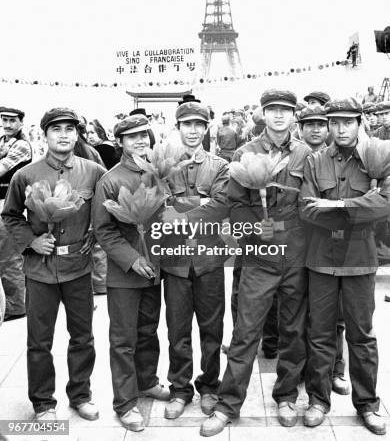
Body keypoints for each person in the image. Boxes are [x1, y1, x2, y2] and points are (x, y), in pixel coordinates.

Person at [200, 89, 311, 436]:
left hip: (295, 252)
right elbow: (233, 203)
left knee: (293, 330)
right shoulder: (245, 153)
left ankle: (286, 395)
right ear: (263, 113)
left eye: (285, 110)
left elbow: (310, 202)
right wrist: (253, 223)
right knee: (246, 332)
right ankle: (228, 405)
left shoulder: (306, 154)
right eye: (272, 110)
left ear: (294, 115)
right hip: (258, 256)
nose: (279, 116)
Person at [1, 108, 105, 421]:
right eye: (56, 129)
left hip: (78, 268)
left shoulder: (93, 171)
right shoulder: (26, 175)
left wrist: (94, 237)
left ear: (77, 134)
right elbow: (10, 216)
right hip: (39, 271)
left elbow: (105, 212)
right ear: (44, 135)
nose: (63, 135)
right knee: (39, 341)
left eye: (69, 129)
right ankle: (43, 402)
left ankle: (80, 395)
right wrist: (30, 241)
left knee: (83, 337)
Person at [300, 98, 389, 435]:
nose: (340, 129)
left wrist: (337, 204)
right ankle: (318, 400)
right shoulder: (315, 160)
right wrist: (360, 208)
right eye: (334, 122)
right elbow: (306, 208)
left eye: (347, 122)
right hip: (321, 259)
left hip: (359, 259)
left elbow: (385, 204)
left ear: (359, 123)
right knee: (320, 334)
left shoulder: (375, 159)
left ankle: (367, 404)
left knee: (362, 336)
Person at [93, 114, 170, 432]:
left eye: (144, 136)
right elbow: (103, 230)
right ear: (120, 142)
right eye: (132, 137)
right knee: (123, 339)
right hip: (126, 274)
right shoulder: (110, 180)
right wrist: (131, 259)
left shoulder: (157, 174)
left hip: (155, 269)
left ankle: (147, 381)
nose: (141, 141)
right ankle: (125, 402)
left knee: (149, 331)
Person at [160, 101, 229, 420]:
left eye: (198, 125)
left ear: (206, 128)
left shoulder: (220, 165)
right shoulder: (163, 165)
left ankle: (210, 386)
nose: (192, 131)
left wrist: (180, 208)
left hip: (209, 260)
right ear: (178, 128)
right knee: (177, 329)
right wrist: (198, 202)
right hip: (174, 261)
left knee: (212, 328)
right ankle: (179, 389)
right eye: (186, 124)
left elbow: (220, 207)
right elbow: (158, 206)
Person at [297, 106, 349, 395]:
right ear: (300, 127)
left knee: (337, 315)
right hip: (298, 244)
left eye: (320, 124)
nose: (315, 130)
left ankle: (337, 368)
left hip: (332, 246)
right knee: (302, 311)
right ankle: (309, 366)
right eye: (309, 125)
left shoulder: (340, 157)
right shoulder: (295, 155)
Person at [0, 106, 32, 321]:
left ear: (21, 122)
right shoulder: (4, 141)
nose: (8, 124)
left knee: (9, 256)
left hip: (9, 204)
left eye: (13, 120)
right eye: (4, 119)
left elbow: (2, 168)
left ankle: (16, 306)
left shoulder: (21, 144)